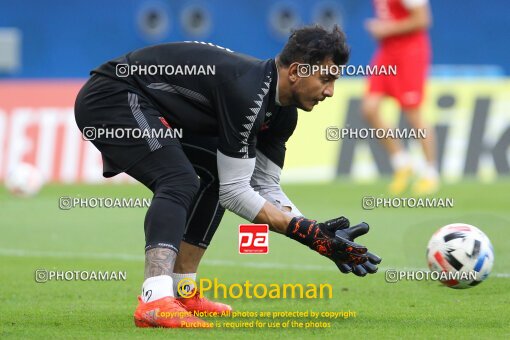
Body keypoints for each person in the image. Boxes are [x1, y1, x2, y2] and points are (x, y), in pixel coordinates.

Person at [74, 25, 381, 328]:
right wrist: (307, 234)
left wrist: (317, 235)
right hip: (112, 96)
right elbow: (237, 194)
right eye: (325, 79)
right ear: (296, 72)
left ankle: (182, 292)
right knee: (178, 179)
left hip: (149, 104)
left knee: (216, 174)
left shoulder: (284, 113)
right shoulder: (248, 93)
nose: (329, 91)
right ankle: (155, 299)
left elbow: (264, 186)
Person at [363, 0, 438, 195]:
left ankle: (430, 172)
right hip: (387, 53)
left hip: (410, 53)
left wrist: (386, 29)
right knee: (369, 108)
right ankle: (402, 163)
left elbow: (422, 19)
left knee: (413, 113)